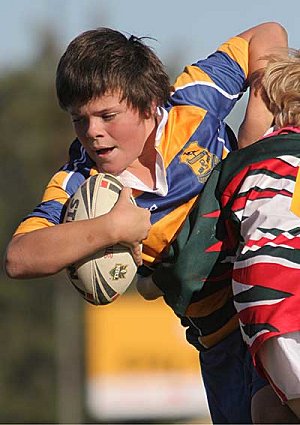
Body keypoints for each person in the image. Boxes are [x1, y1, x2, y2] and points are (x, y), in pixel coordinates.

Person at [4, 23, 289, 423]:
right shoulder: (79, 184)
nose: (92, 133)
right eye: (78, 119)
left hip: (277, 301)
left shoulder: (194, 103)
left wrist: (255, 123)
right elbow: (19, 257)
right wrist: (112, 229)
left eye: (107, 115)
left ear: (149, 101)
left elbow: (268, 34)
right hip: (222, 344)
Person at [145, 49, 300, 423]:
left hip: (261, 313)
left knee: (267, 408)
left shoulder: (237, 166)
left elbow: (196, 249)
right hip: (292, 298)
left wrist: (150, 274)